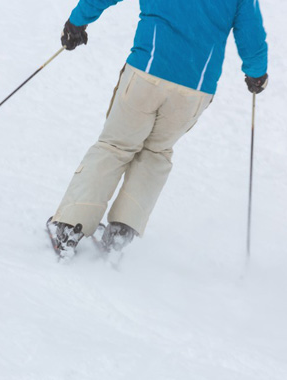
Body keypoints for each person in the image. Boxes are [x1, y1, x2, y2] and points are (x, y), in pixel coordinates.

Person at [49, 0, 268, 258]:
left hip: (147, 72)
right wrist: (257, 72)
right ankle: (120, 233)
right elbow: (251, 31)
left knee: (115, 146)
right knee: (156, 152)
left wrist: (77, 22)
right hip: (194, 89)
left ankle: (70, 228)